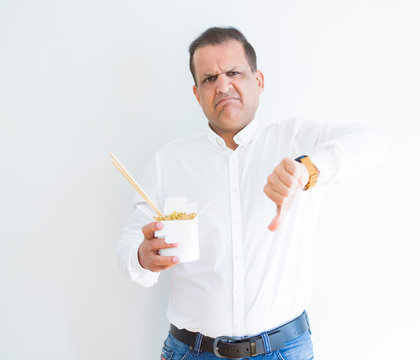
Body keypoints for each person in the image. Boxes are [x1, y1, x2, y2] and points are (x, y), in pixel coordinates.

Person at [118, 26, 388, 360]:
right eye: (209, 78)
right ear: (197, 93)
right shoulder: (170, 161)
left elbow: (372, 142)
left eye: (233, 72)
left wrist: (306, 170)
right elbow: (129, 246)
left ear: (258, 81)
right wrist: (144, 256)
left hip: (284, 350)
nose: (222, 85)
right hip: (191, 352)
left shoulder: (296, 139)